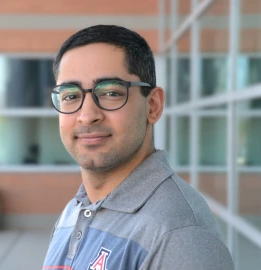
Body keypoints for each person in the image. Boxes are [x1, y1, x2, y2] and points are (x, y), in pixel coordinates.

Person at [43, 24, 234, 270]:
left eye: (111, 92)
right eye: (71, 96)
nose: (87, 115)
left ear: (153, 106)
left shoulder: (179, 236)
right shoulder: (74, 211)